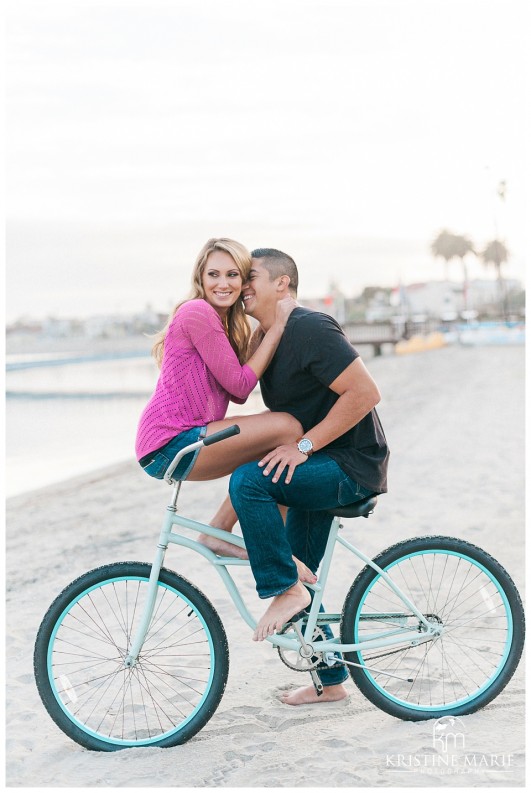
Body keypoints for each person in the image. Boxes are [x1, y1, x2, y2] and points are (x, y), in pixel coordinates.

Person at [226, 248, 389, 706]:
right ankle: (332, 681)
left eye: (249, 277)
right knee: (301, 570)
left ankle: (282, 589)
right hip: (320, 466)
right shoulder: (269, 337)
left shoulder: (309, 326)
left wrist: (302, 448)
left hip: (350, 465)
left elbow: (366, 392)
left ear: (282, 284)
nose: (241, 286)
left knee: (248, 483)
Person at [135, 238, 313, 572]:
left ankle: (248, 536)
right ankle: (248, 538)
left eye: (233, 275)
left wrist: (265, 328)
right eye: (213, 274)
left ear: (244, 281)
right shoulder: (198, 312)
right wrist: (278, 326)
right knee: (287, 428)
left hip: (176, 440)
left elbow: (238, 386)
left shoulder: (221, 322)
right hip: (171, 442)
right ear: (200, 278)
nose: (223, 283)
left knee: (276, 439)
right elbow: (242, 386)